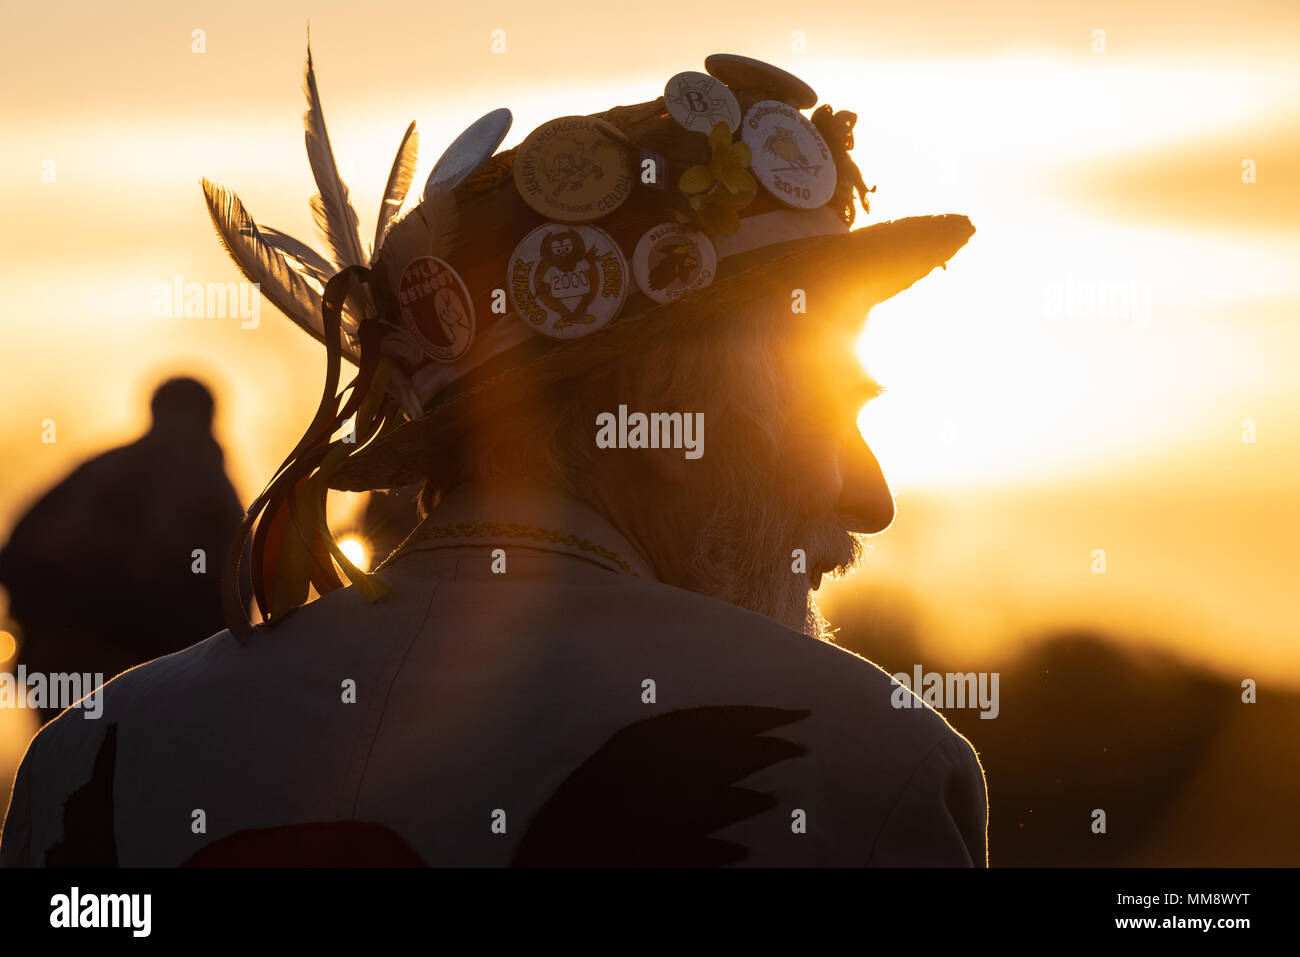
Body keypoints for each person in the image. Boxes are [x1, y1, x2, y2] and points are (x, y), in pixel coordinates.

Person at [0, 50, 986, 866]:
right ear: (667, 421)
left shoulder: (93, 759)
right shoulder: (857, 756)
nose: (869, 498)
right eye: (831, 409)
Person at [0, 377, 244, 724]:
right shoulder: (211, 487)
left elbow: (15, 553)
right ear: (210, 416)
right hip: (142, 673)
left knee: (66, 771)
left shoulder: (95, 470)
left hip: (62, 663)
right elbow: (235, 600)